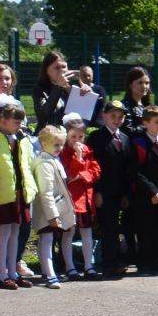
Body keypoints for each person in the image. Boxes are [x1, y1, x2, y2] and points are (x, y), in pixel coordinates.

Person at [0, 100, 38, 290]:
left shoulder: (21, 140)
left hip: (19, 193)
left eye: (20, 122)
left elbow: (26, 167)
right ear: (2, 120)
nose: (19, 125)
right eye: (15, 121)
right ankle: (2, 273)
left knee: (15, 232)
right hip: (3, 194)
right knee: (4, 233)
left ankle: (13, 271)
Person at [88, 97, 134, 279]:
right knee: (109, 229)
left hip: (119, 191)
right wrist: (97, 191)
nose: (117, 120)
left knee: (118, 227)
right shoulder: (97, 138)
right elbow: (94, 165)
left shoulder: (124, 138)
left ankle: (119, 259)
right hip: (104, 192)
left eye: (120, 117)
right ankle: (109, 264)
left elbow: (126, 168)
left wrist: (126, 193)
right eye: (113, 116)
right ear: (104, 116)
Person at [126, 107, 158, 273]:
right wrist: (153, 192)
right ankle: (144, 264)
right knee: (144, 230)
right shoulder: (138, 143)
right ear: (145, 123)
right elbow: (135, 172)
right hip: (144, 196)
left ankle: (156, 262)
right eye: (157, 122)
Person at [31, 125, 76, 288]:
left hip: (55, 208)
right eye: (56, 144)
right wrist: (52, 215)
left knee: (49, 239)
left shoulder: (52, 160)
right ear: (44, 144)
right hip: (48, 210)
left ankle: (47, 272)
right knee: (47, 239)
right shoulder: (44, 163)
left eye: (61, 144)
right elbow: (46, 192)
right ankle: (50, 275)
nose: (60, 148)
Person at [60, 115, 100, 277]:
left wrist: (82, 176)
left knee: (86, 232)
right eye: (73, 137)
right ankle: (70, 267)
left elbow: (96, 171)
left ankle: (89, 266)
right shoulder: (64, 153)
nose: (77, 140)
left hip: (85, 198)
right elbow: (69, 174)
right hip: (70, 199)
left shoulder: (88, 151)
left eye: (81, 137)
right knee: (68, 232)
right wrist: (77, 158)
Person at [32, 51, 77, 130]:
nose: (61, 71)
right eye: (57, 68)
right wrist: (58, 87)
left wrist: (86, 95)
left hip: (71, 136)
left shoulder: (73, 88)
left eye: (64, 67)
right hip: (49, 135)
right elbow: (44, 114)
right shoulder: (39, 89)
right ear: (46, 70)